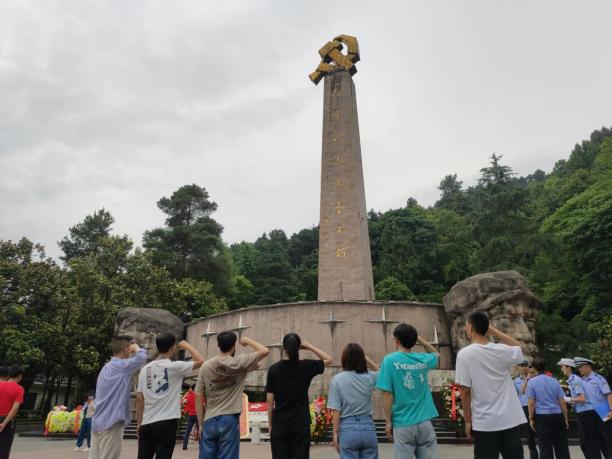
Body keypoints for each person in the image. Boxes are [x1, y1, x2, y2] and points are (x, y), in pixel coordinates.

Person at [455, 311, 527, 459]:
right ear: (487, 328)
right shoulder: (501, 350)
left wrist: (468, 421)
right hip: (509, 420)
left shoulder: (465, 354)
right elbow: (519, 347)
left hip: (485, 422)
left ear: (470, 327)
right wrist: (494, 331)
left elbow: (465, 391)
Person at [196, 332, 269, 459]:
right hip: (229, 419)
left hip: (209, 419)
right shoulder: (240, 363)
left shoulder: (206, 366)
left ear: (218, 345)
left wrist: (200, 424)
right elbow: (264, 351)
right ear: (233, 346)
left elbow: (198, 395)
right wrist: (247, 340)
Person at [376, 324, 439, 459]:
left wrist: (388, 421)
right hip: (425, 422)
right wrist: (420, 339)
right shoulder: (422, 359)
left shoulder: (389, 360)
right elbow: (436, 354)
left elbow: (387, 393)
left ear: (397, 340)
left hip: (403, 423)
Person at [136, 334, 204, 459]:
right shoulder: (175, 366)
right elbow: (200, 361)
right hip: (166, 423)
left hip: (147, 423)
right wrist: (186, 345)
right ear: (173, 347)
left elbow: (140, 399)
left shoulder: (145, 370)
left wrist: (139, 424)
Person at [266, 333, 332, 459]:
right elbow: (329, 359)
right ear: (299, 347)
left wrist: (270, 425)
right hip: (301, 423)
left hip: (280, 424)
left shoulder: (273, 369)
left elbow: (269, 401)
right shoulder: (306, 366)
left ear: (284, 348)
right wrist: (310, 346)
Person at [90, 335, 147, 459]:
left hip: (98, 421)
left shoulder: (106, 367)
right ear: (127, 348)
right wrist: (136, 346)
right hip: (111, 423)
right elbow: (141, 357)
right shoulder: (122, 367)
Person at [327, 343, 380, 459]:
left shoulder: (337, 380)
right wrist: (366, 358)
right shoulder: (369, 377)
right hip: (368, 428)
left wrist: (335, 434)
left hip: (347, 429)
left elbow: (336, 410)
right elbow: (381, 373)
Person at [558, 358, 605, 459]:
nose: (561, 369)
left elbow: (582, 398)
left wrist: (566, 399)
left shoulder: (575, 380)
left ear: (568, 367)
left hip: (586, 413)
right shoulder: (573, 379)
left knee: (589, 442)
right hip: (585, 412)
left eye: (562, 367)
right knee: (586, 442)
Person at [526, 358, 570, 459]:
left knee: (545, 446)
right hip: (557, 416)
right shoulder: (554, 381)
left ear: (534, 368)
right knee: (561, 446)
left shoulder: (532, 382)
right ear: (545, 367)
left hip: (542, 417)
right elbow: (562, 402)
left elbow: (531, 402)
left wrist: (531, 418)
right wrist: (565, 418)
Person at [576, 356, 612, 458]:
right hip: (589, 413)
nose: (579, 369)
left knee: (607, 438)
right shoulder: (580, 381)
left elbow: (608, 394)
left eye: (581, 367)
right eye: (579, 367)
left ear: (588, 367)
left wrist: (611, 410)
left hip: (602, 409)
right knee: (591, 441)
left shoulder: (599, 379)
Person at [515, 360, 538, 459]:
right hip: (524, 408)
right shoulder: (516, 381)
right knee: (529, 435)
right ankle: (534, 456)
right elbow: (519, 393)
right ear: (518, 367)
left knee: (541, 433)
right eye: (522, 366)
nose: (524, 368)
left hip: (536, 407)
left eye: (526, 366)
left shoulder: (535, 378)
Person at [0, 366, 24, 459]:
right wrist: (4, 423)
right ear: (19, 377)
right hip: (7, 420)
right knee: (4, 447)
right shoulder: (19, 389)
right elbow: (14, 409)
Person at [181, 386, 199, 450]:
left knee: (187, 431)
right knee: (200, 430)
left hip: (190, 415)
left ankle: (184, 446)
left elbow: (186, 405)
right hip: (197, 415)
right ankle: (201, 445)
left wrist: (185, 412)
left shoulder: (188, 396)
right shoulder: (198, 395)